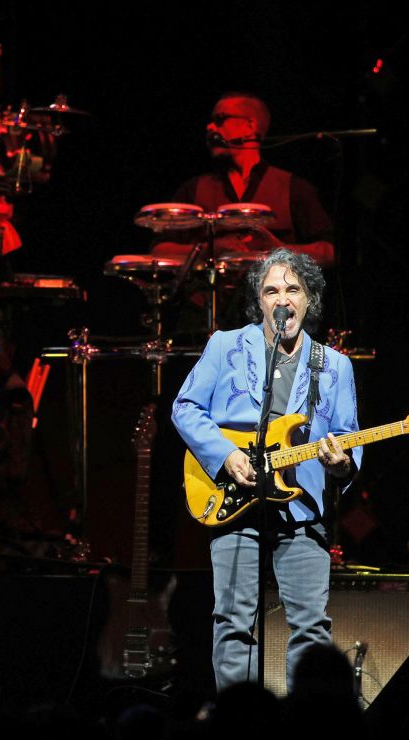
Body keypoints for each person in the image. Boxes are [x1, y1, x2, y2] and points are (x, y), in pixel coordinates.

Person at [171, 248, 361, 693]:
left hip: (302, 510)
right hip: (234, 500)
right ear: (259, 301)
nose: (283, 298)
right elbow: (185, 407)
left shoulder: (334, 365)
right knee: (234, 622)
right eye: (271, 289)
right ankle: (240, 727)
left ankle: (306, 725)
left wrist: (340, 464)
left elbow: (347, 439)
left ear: (309, 300)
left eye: (293, 289)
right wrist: (224, 455)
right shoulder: (225, 345)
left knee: (311, 630)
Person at [154, 92, 335, 268]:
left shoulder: (294, 187)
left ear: (250, 126)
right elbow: (159, 250)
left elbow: (329, 253)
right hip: (210, 296)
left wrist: (280, 250)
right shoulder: (193, 189)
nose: (210, 127)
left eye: (220, 119)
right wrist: (208, 250)